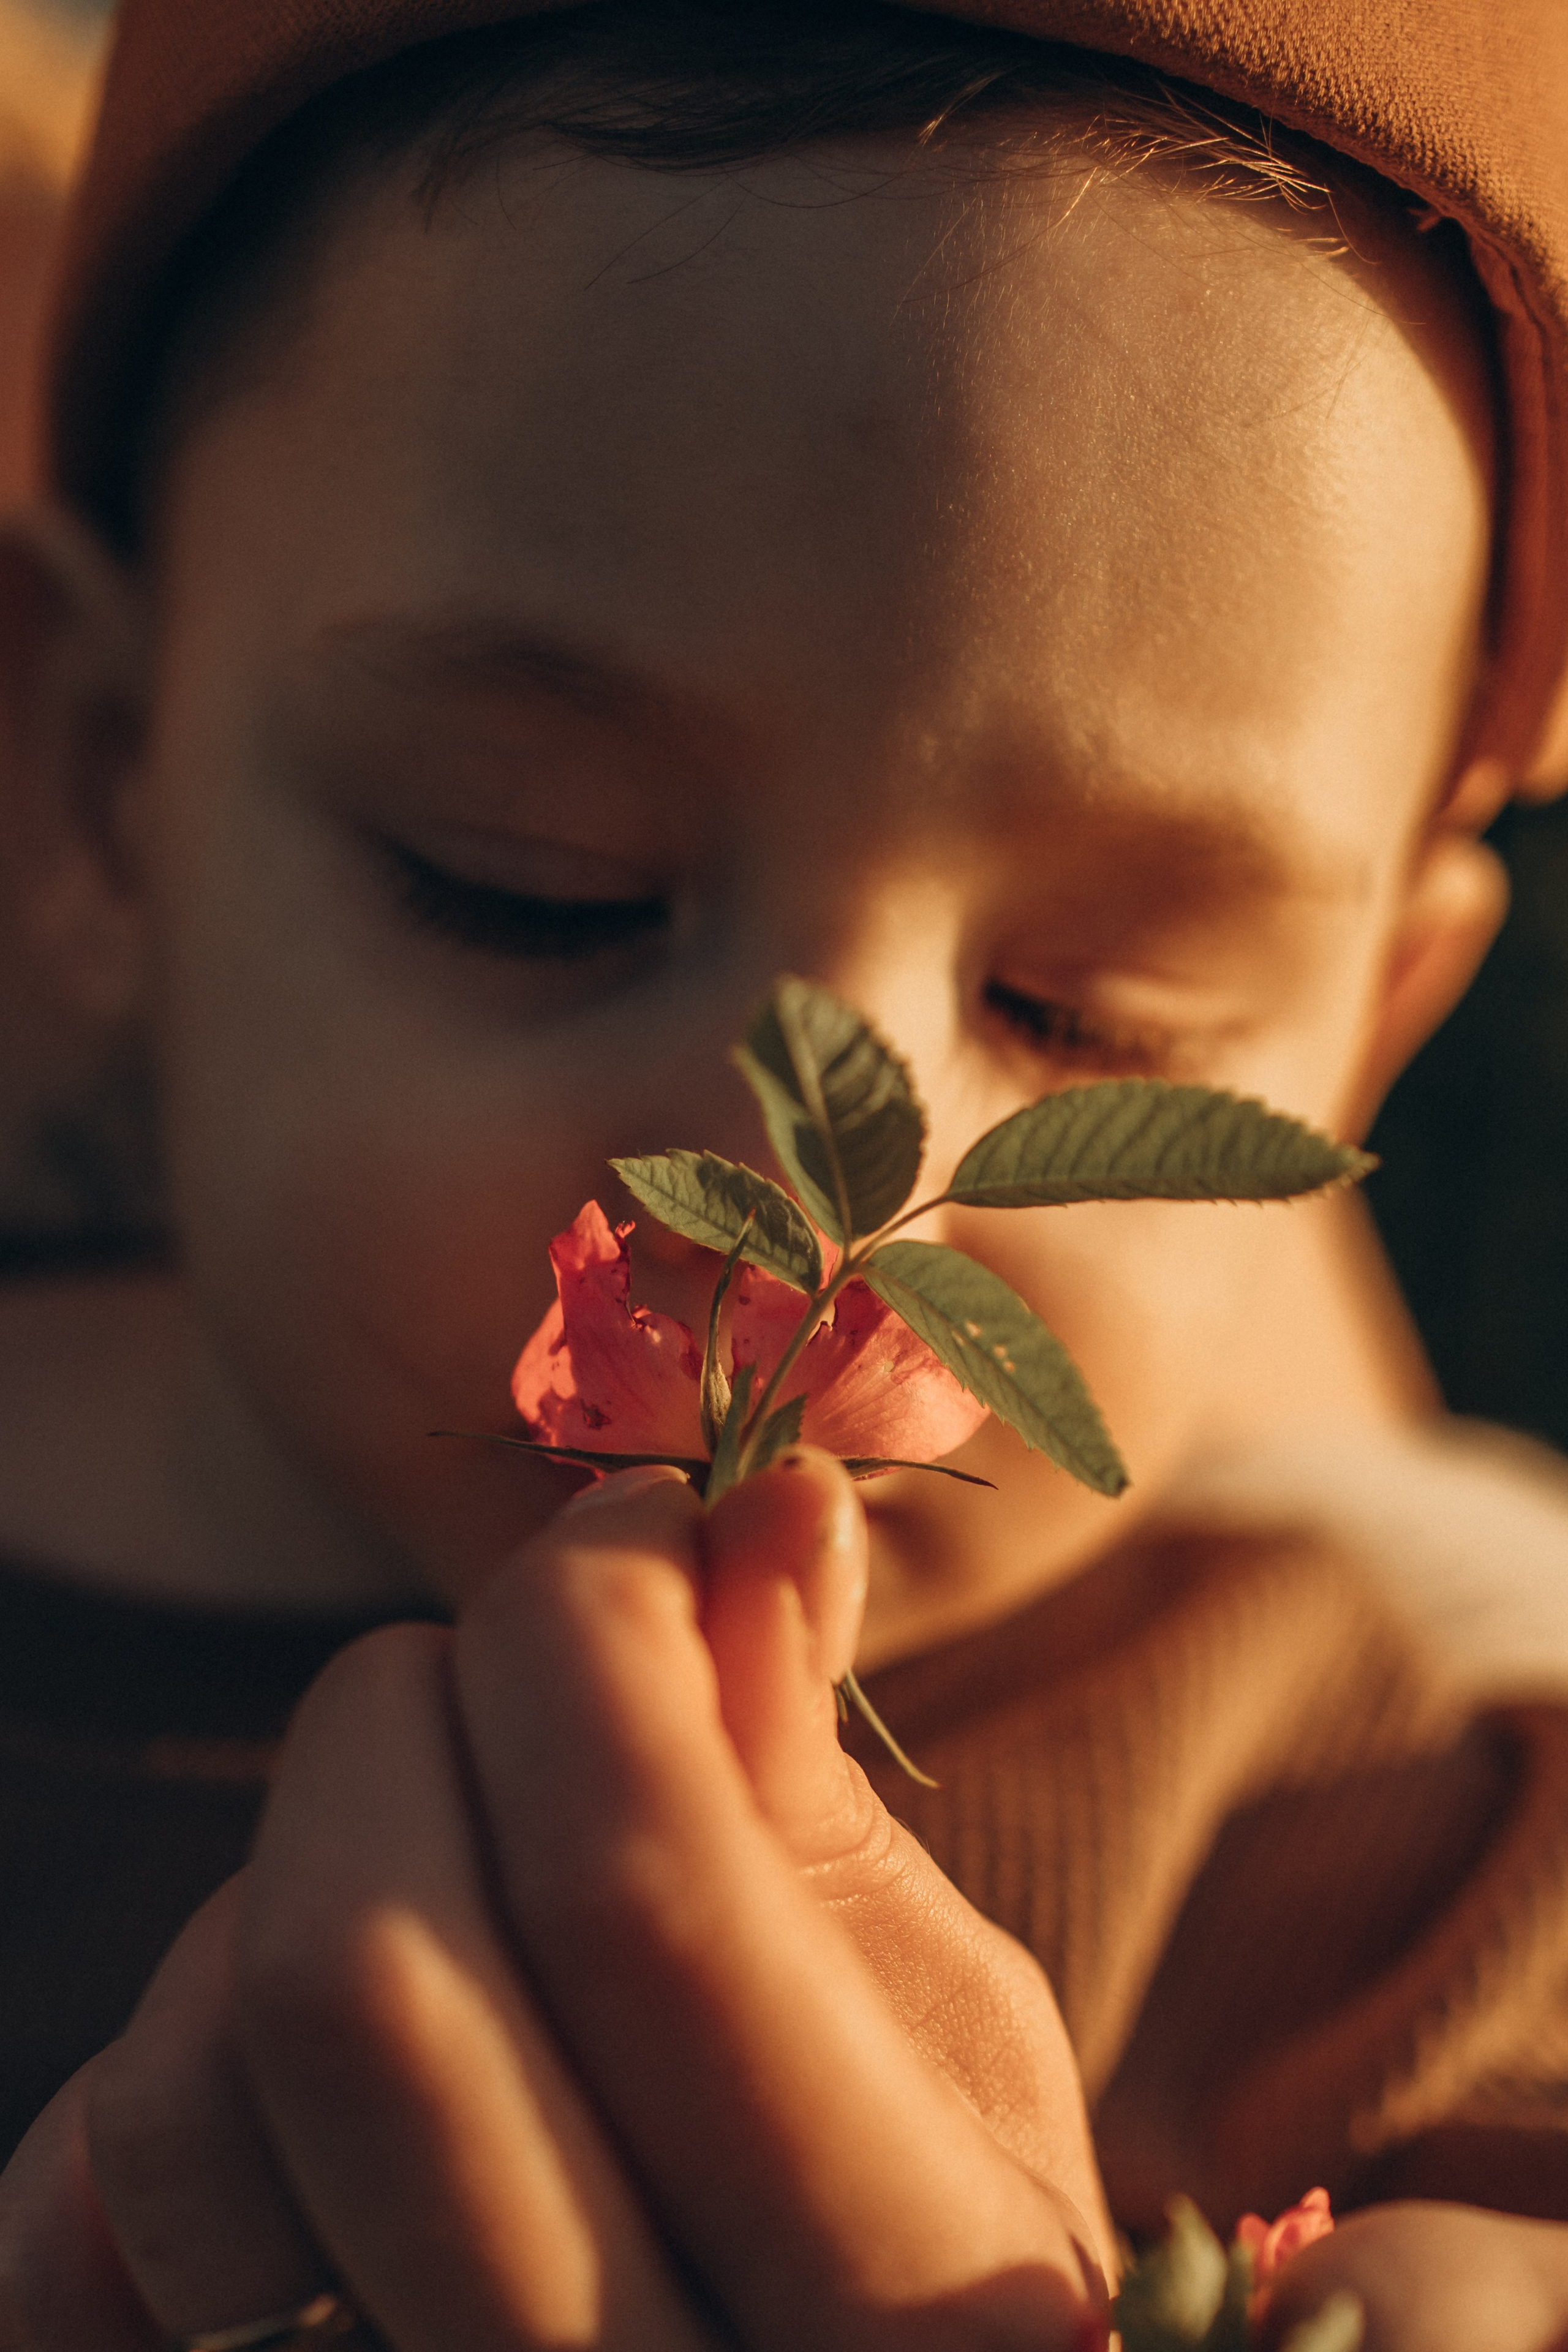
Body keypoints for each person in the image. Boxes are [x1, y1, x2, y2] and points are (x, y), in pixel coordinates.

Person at [1, 1, 1567, 2343]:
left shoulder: (1398, 1841)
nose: (817, 1201)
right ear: (104, 793)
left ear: (1371, 1025)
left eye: (1090, 1011)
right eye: (532, 880)